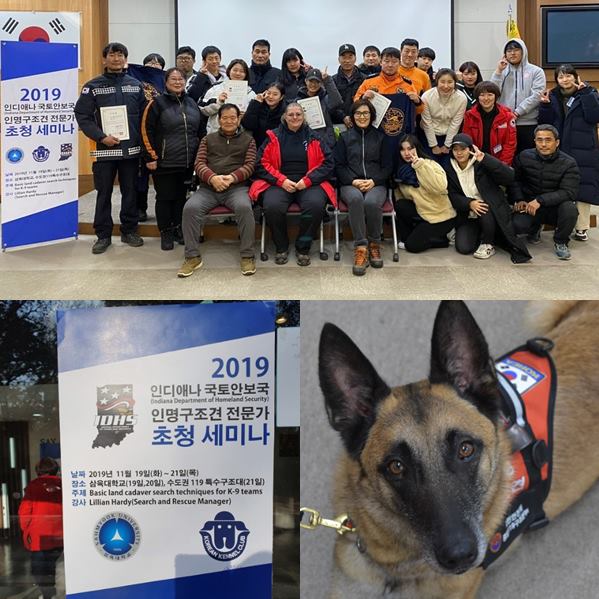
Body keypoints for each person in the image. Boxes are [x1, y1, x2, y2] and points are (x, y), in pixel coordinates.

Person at [74, 42, 146, 254]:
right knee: (103, 193)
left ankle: (129, 230)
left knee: (130, 192)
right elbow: (83, 116)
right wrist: (101, 137)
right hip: (105, 150)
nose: (116, 59)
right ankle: (103, 235)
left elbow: (144, 118)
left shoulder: (136, 85)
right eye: (112, 55)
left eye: (120, 55)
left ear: (126, 59)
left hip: (131, 151)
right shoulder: (92, 86)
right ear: (104, 59)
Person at [249, 102, 335, 266]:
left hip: (309, 183)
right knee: (272, 206)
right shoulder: (273, 136)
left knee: (315, 206)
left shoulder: (315, 137)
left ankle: (303, 248)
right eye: (291, 114)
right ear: (284, 117)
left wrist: (307, 181)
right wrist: (281, 181)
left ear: (304, 117)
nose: (295, 117)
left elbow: (328, 164)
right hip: (279, 182)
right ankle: (281, 246)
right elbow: (260, 164)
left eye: (298, 114)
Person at [178, 104, 257, 278]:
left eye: (232, 118)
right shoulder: (207, 139)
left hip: (237, 188)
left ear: (238, 119)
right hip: (209, 187)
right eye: (225, 118)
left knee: (245, 207)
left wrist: (232, 178)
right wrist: (213, 178)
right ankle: (192, 257)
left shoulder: (248, 140)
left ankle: (247, 255)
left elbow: (250, 165)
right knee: (190, 208)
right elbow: (199, 164)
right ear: (219, 119)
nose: (229, 121)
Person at [141, 67, 202, 250]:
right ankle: (165, 232)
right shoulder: (156, 103)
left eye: (181, 79)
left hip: (187, 162)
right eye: (173, 79)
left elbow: (198, 131)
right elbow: (146, 130)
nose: (178, 82)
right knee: (165, 198)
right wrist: (150, 156)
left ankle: (178, 228)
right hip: (164, 161)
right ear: (166, 82)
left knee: (181, 198)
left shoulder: (191, 103)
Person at [445, 133, 531, 262]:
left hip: (491, 210)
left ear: (470, 149)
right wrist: (469, 203)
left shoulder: (482, 163)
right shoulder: (449, 168)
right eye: (455, 149)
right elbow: (452, 195)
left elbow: (509, 176)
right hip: (469, 214)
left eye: (463, 149)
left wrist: (486, 159)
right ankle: (482, 234)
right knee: (463, 248)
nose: (459, 153)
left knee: (484, 207)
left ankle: (488, 243)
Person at [538, 64, 599, 241]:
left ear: (575, 76)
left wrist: (586, 94)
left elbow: (594, 117)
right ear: (556, 80)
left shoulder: (589, 92)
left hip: (583, 147)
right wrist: (545, 106)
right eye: (561, 77)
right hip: (560, 146)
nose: (565, 80)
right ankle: (559, 223)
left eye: (568, 76)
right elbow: (545, 123)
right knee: (558, 185)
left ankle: (581, 227)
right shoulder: (553, 95)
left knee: (584, 185)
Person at [334, 99, 393, 275]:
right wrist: (353, 180)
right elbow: (338, 165)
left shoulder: (381, 137)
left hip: (376, 183)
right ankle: (361, 247)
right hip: (350, 183)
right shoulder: (344, 137)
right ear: (352, 116)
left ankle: (374, 244)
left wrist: (374, 180)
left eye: (365, 113)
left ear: (372, 116)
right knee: (355, 198)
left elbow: (388, 166)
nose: (362, 116)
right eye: (358, 113)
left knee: (371, 203)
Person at [510, 124, 580, 260]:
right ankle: (534, 229)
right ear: (534, 141)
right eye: (539, 140)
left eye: (548, 140)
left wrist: (540, 200)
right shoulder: (524, 156)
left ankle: (561, 241)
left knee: (570, 209)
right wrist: (519, 199)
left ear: (557, 142)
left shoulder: (569, 163)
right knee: (516, 225)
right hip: (530, 205)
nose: (543, 144)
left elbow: (569, 192)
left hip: (555, 207)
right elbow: (515, 181)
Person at [394, 133, 456, 252]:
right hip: (424, 213)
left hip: (441, 217)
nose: (407, 153)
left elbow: (440, 187)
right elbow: (402, 197)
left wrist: (419, 166)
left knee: (412, 246)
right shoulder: (402, 170)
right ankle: (413, 235)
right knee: (401, 205)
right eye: (403, 150)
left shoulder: (429, 164)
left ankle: (442, 240)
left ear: (417, 148)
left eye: (410, 148)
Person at [18, 457, 63, 599]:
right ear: (55, 470)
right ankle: (50, 593)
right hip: (60, 536)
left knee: (38, 570)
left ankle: (48, 594)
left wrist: (26, 531)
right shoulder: (63, 485)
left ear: (39, 471)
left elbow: (24, 513)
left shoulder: (33, 487)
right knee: (50, 566)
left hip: (39, 538)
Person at [490, 38, 546, 151]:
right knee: (505, 157)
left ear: (523, 51)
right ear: (505, 54)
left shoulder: (536, 71)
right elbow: (492, 92)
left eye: (516, 50)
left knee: (527, 158)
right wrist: (498, 72)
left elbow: (536, 95)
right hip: (504, 123)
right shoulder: (501, 71)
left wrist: (517, 112)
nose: (512, 53)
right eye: (509, 51)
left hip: (528, 123)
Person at [136, 53, 166, 222]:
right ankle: (140, 208)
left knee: (161, 177)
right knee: (141, 176)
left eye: (157, 64)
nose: (153, 66)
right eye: (149, 63)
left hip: (161, 136)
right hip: (140, 133)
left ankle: (162, 212)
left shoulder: (167, 83)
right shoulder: (136, 83)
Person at [420, 68, 467, 167]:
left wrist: (447, 145)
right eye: (442, 82)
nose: (446, 86)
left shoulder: (461, 98)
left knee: (448, 167)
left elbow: (456, 123)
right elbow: (427, 123)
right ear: (437, 82)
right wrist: (433, 145)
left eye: (450, 82)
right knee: (431, 167)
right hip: (428, 136)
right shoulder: (426, 97)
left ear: (455, 82)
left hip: (450, 136)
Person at [462, 81, 517, 165]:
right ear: (477, 97)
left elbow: (510, 144)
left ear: (496, 96)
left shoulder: (507, 116)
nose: (486, 98)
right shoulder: (470, 115)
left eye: (490, 95)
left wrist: (502, 165)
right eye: (482, 95)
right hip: (476, 160)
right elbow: (468, 141)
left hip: (500, 161)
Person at [200, 59, 256, 134]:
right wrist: (218, 102)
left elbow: (254, 119)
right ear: (229, 71)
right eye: (235, 70)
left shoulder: (251, 94)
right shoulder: (216, 88)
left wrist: (245, 116)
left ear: (246, 74)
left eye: (242, 71)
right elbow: (202, 109)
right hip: (215, 134)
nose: (238, 73)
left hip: (240, 137)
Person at [295, 67, 342, 148]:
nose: (313, 84)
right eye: (311, 81)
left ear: (321, 83)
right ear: (306, 81)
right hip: (304, 141)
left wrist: (327, 80)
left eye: (317, 82)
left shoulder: (326, 99)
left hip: (325, 142)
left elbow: (337, 101)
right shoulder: (298, 101)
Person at [241, 81, 286, 148]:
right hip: (256, 146)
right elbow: (248, 125)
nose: (270, 96)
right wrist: (256, 103)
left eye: (275, 94)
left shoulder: (285, 111)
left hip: (277, 147)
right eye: (268, 93)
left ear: (281, 97)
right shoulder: (257, 105)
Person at [332, 43, 365, 127]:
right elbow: (331, 103)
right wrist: (343, 117)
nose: (347, 60)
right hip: (339, 124)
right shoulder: (332, 80)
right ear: (339, 59)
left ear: (355, 59)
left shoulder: (365, 79)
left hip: (361, 121)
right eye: (344, 57)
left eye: (350, 57)